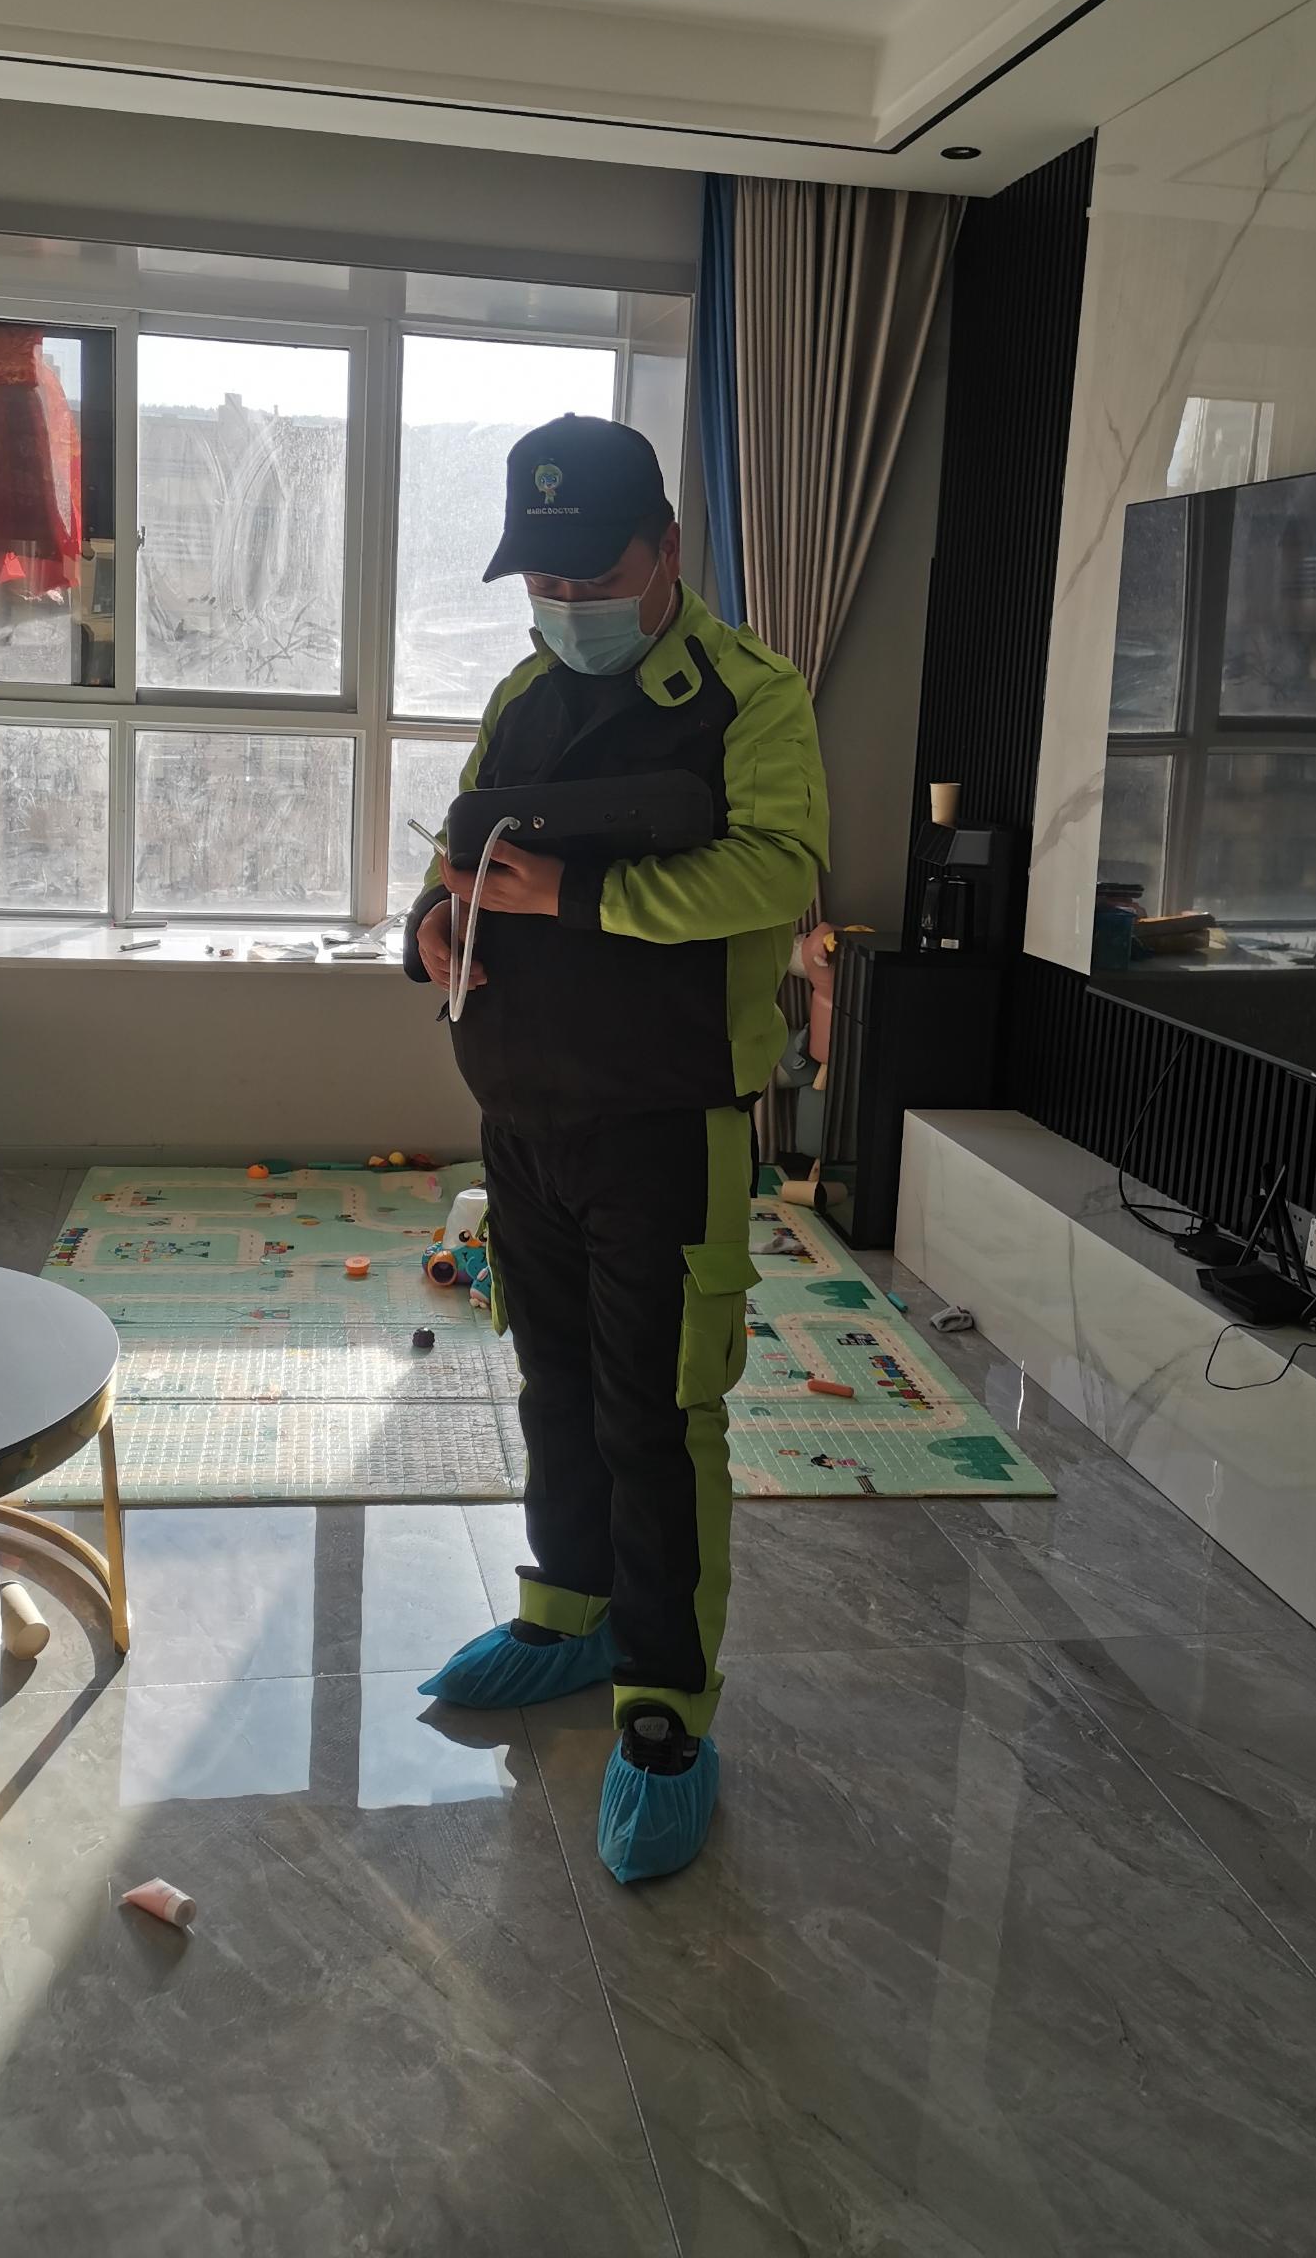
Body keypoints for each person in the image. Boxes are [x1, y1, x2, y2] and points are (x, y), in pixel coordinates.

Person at [405, 413, 828, 1882]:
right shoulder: (522, 694)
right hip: (522, 1114)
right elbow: (455, 857)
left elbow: (776, 869)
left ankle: (664, 1705)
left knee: (659, 1416)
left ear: (665, 550)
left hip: (664, 1124)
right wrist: (434, 924)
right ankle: (567, 1613)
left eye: (592, 573)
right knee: (556, 1383)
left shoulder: (748, 696)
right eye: (543, 577)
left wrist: (573, 900)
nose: (567, 601)